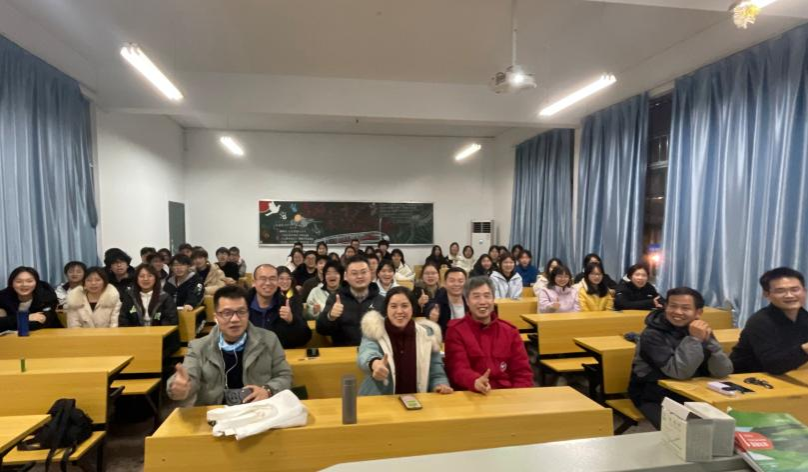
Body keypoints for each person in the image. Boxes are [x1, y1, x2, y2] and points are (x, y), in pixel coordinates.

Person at [167, 285, 293, 406]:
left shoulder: (269, 340)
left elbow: (285, 376)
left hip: (258, 409)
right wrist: (180, 387)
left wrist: (267, 390)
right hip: (216, 412)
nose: (235, 319)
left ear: (248, 313)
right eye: (227, 313)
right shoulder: (199, 347)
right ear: (216, 317)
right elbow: (189, 377)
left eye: (241, 312)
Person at [629, 287, 732, 429]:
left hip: (694, 391)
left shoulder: (698, 329)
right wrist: (694, 339)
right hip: (654, 395)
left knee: (728, 423)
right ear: (665, 307)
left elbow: (722, 371)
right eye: (673, 306)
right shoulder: (652, 334)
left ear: (698, 312)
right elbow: (679, 373)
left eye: (685, 308)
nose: (677, 312)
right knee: (686, 433)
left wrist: (711, 344)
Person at [444, 276, 533, 393]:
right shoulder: (456, 330)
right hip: (470, 393)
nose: (482, 302)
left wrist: (518, 396)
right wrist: (475, 381)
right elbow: (458, 368)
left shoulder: (509, 331)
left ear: (493, 299)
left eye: (487, 296)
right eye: (476, 296)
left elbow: (522, 372)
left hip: (506, 393)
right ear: (467, 301)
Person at [357, 287, 453, 396]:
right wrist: (375, 364)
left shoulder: (427, 334)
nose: (399, 311)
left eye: (405, 306)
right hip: (380, 399)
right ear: (386, 309)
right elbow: (366, 352)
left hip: (417, 400)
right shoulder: (374, 329)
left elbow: (436, 372)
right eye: (393, 306)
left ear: (412, 308)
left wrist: (440, 385)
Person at [731, 267, 808, 374]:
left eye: (795, 290)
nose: (789, 295)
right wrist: (805, 348)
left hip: (786, 375)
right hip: (747, 376)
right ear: (766, 294)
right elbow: (772, 366)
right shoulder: (759, 321)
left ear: (804, 291)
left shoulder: (804, 316)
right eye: (780, 291)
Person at [316, 256, 385, 346]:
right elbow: (321, 330)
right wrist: (330, 317)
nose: (359, 276)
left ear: (371, 274)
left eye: (364, 272)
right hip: (343, 352)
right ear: (346, 276)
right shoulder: (336, 299)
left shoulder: (381, 300)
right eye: (354, 273)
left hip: (374, 352)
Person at [246, 264, 312, 349]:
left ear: (277, 282)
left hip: (279, 354)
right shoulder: (243, 305)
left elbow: (305, 338)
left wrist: (292, 321)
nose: (268, 283)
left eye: (272, 279)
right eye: (263, 279)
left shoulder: (287, 304)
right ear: (254, 282)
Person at [0, 266, 60, 331]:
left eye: (29, 281)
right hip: (12, 336)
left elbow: (37, 323)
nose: (24, 285)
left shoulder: (47, 295)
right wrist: (27, 317)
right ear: (11, 283)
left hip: (49, 333)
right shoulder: (3, 297)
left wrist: (7, 321)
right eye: (18, 281)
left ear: (36, 282)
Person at [425, 267, 468, 335]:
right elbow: (431, 305)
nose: (456, 284)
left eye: (460, 281)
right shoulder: (439, 300)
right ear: (445, 283)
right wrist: (431, 312)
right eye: (452, 281)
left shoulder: (470, 302)